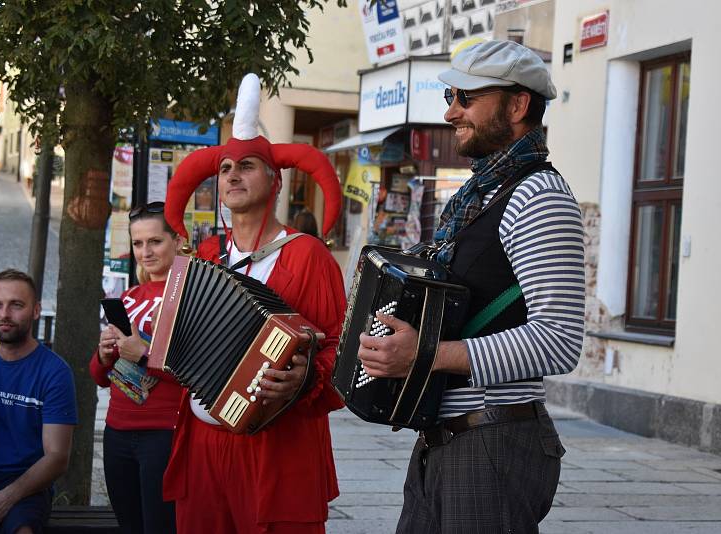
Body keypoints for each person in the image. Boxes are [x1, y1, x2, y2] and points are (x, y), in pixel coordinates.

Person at [358, 39, 586, 534]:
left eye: (466, 97)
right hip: (450, 440)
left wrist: (425, 355)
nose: (451, 112)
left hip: (493, 442)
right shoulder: (480, 195)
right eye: (449, 97)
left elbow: (560, 340)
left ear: (518, 103)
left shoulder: (538, 197)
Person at [161, 73, 346, 534]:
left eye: (247, 165)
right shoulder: (206, 255)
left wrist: (306, 378)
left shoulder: (307, 255)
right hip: (203, 447)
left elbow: (342, 350)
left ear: (275, 179)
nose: (233, 175)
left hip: (277, 451)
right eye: (225, 168)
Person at [89, 202, 184, 534]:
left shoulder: (189, 297)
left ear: (178, 240)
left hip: (165, 432)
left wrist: (143, 354)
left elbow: (197, 372)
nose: (146, 251)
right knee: (129, 526)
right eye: (138, 243)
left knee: (160, 526)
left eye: (155, 241)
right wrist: (103, 355)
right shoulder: (127, 297)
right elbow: (100, 376)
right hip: (116, 429)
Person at [0, 269, 77, 533]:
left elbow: (58, 457)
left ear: (36, 310)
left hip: (26, 483)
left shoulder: (55, 373)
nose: (4, 314)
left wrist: (8, 497)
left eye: (16, 305)